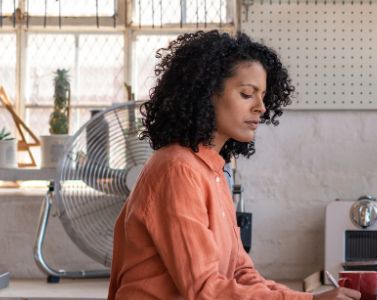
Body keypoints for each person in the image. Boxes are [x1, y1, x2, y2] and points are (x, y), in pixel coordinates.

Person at [107, 31, 361, 300]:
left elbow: (241, 273)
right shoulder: (177, 170)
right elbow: (205, 288)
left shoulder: (213, 172)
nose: (261, 107)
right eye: (247, 94)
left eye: (263, 96)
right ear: (207, 94)